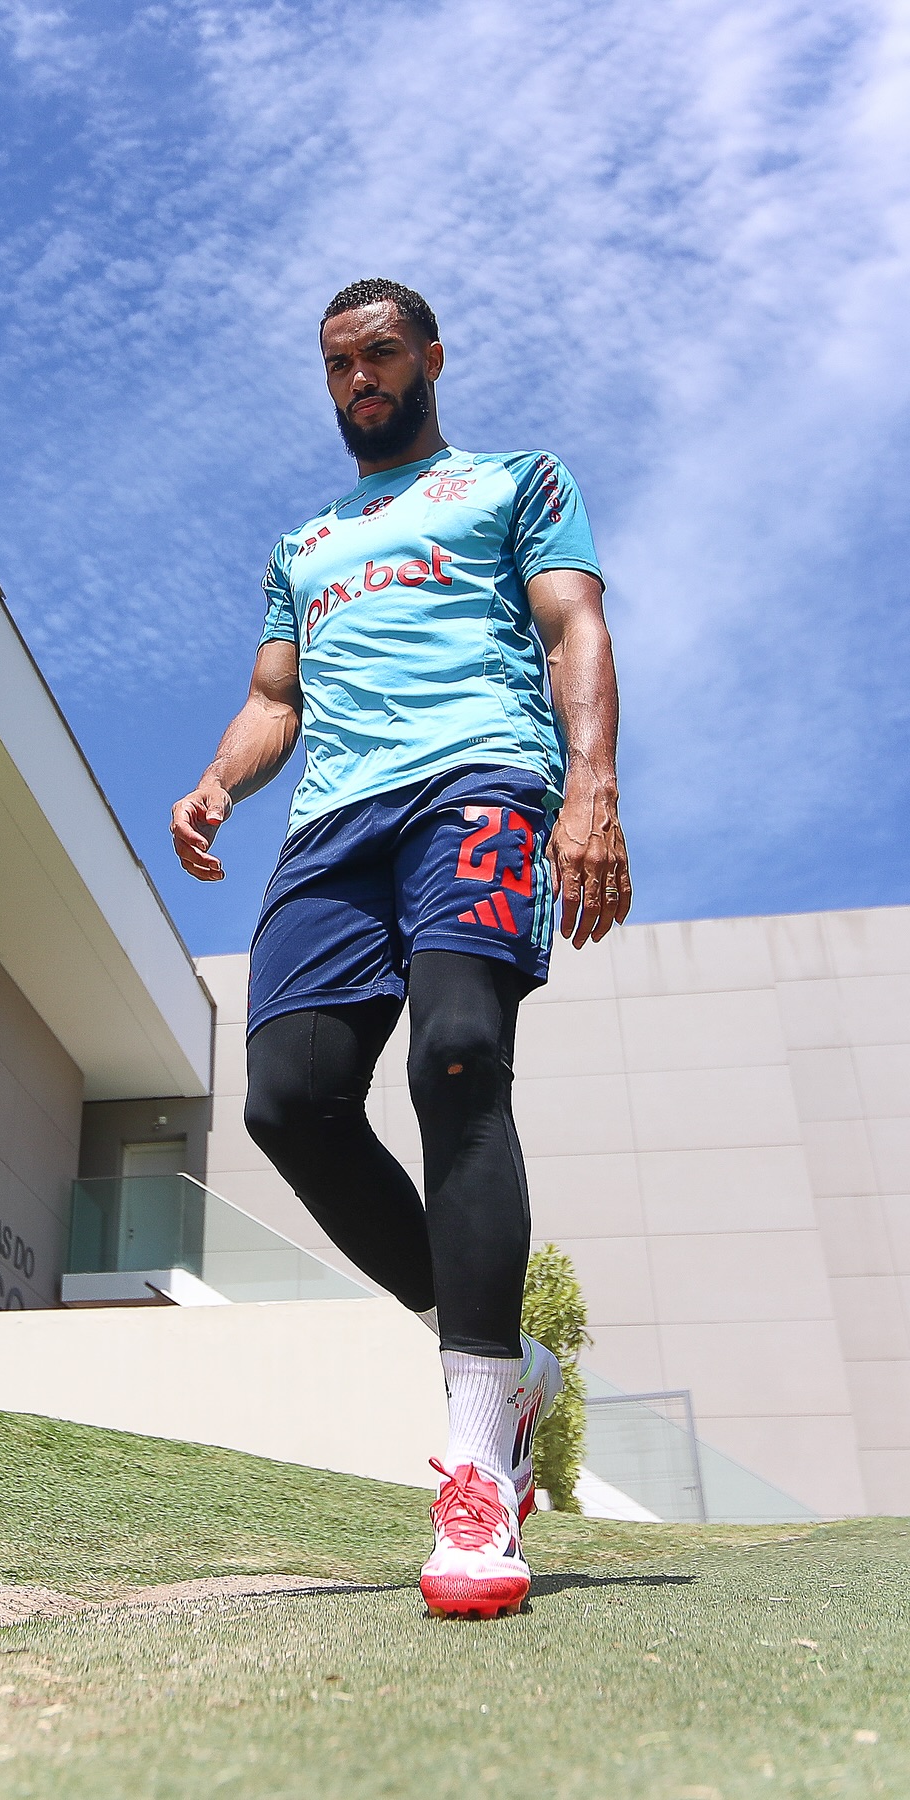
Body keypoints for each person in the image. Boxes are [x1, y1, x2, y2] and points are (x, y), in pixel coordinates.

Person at [170, 277, 631, 1619]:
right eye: (338, 365)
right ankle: (503, 1355)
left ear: (430, 357)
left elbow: (573, 626)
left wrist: (592, 788)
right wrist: (218, 781)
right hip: (333, 824)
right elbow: (275, 697)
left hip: (480, 782)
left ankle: (477, 1466)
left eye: (379, 355)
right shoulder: (305, 543)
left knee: (458, 1058)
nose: (359, 379)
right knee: (291, 1100)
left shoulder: (515, 481)